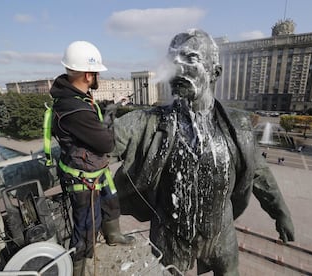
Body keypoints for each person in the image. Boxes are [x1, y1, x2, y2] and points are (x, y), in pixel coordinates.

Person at [111, 29, 294, 275]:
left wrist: (280, 213)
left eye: (191, 58)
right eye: (173, 60)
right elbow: (97, 144)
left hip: (221, 233)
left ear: (214, 72)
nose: (177, 66)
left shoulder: (238, 125)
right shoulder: (148, 122)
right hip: (170, 235)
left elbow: (259, 172)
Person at [49, 40, 135, 275]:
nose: (99, 77)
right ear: (88, 75)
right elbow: (107, 143)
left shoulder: (76, 98)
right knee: (87, 226)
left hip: (95, 168)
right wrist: (108, 120)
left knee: (111, 200)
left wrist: (107, 108)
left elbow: (89, 121)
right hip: (84, 176)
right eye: (97, 73)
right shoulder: (74, 109)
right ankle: (78, 268)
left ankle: (113, 236)